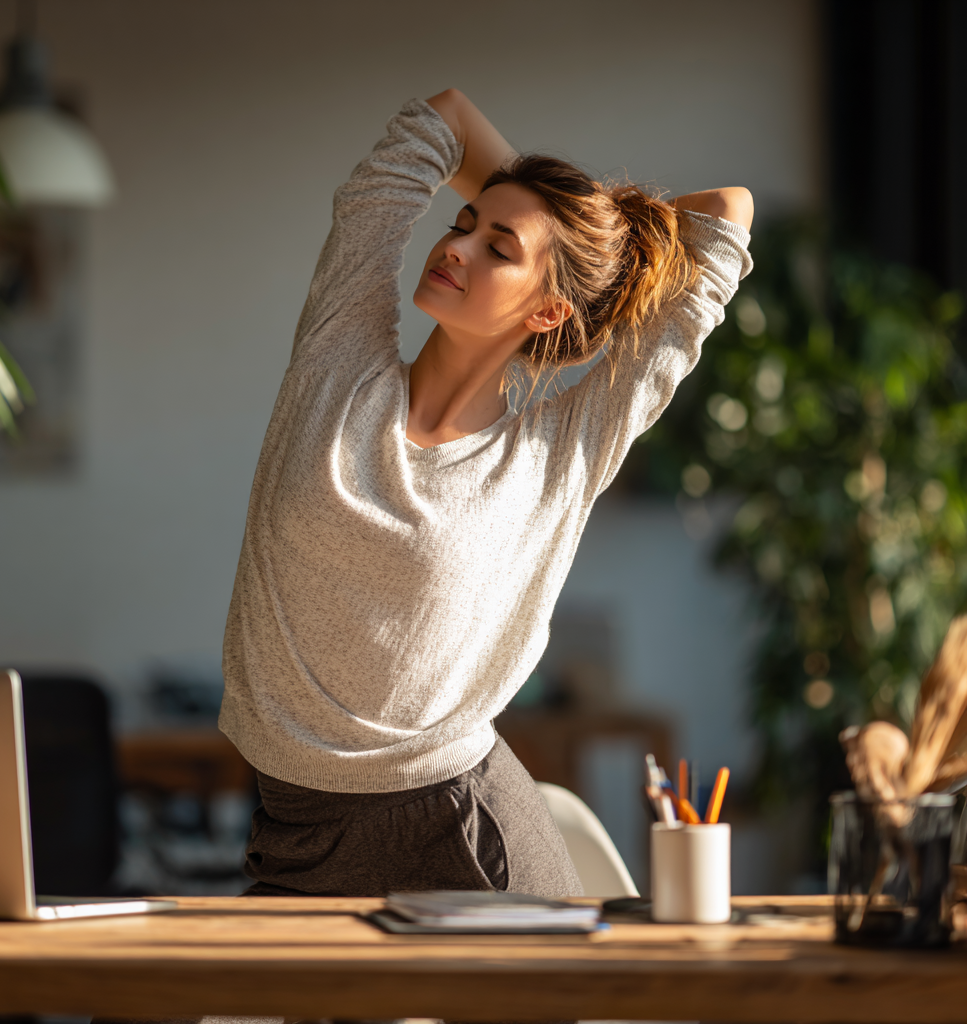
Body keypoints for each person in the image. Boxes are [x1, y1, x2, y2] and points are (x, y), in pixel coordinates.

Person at [220, 89, 754, 899]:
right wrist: (529, 211)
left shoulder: (557, 452)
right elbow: (442, 119)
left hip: (465, 829)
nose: (457, 246)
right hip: (295, 823)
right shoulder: (339, 359)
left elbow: (726, 212)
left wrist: (582, 239)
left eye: (498, 249)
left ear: (547, 309)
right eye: (463, 223)